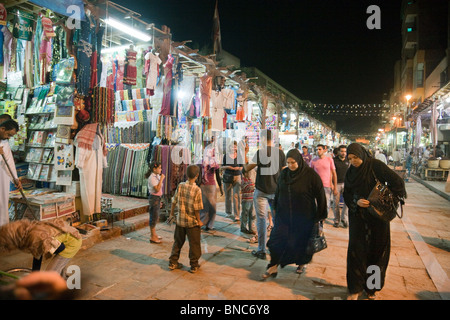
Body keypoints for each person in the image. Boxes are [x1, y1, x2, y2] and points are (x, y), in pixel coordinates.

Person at [343, 143, 406, 300]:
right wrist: (356, 202)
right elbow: (347, 194)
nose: (353, 161)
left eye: (355, 158)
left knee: (377, 253)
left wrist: (379, 201)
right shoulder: (350, 172)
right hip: (358, 218)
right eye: (350, 159)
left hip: (377, 219)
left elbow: (398, 183)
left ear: (362, 155)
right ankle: (355, 289)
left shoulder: (375, 166)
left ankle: (371, 289)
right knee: (356, 252)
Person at [262, 149, 327, 279]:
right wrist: (275, 208)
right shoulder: (284, 174)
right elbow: (278, 192)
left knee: (300, 243)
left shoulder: (310, 175)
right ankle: (273, 266)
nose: (290, 165)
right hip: (284, 216)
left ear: (299, 161)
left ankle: (301, 263)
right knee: (275, 241)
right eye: (288, 162)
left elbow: (320, 196)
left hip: (304, 217)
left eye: (293, 162)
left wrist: (320, 216)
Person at [244, 129, 286, 260]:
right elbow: (285, 173)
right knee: (277, 221)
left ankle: (261, 250)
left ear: (262, 139)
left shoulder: (260, 153)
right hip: (276, 192)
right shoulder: (280, 153)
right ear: (272, 138)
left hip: (262, 191)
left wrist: (244, 159)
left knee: (261, 220)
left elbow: (247, 168)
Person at [0, 217, 82, 278]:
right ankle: (61, 278)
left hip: (72, 243)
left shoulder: (36, 237)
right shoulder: (24, 230)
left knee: (50, 275)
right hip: (67, 235)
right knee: (58, 266)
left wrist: (49, 250)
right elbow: (37, 254)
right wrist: (35, 274)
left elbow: (61, 248)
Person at [167, 165, 203, 273]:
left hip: (180, 221)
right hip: (192, 222)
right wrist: (199, 220)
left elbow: (174, 201)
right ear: (197, 175)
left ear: (186, 175)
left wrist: (172, 214)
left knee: (177, 242)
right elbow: (197, 209)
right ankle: (194, 265)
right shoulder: (197, 190)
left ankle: (173, 262)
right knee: (194, 244)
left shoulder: (181, 186)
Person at [0, 119, 22, 226]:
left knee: (2, 204)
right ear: (2, 129)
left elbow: (9, 163)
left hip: (1, 179)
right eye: (8, 134)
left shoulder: (5, 143)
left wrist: (15, 179)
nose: (8, 137)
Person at [200, 136, 223, 231]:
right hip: (208, 186)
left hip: (206, 186)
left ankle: (205, 223)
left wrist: (221, 188)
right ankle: (207, 224)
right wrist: (221, 188)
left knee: (206, 206)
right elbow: (217, 177)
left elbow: (217, 176)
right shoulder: (209, 162)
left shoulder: (203, 162)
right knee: (210, 206)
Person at [310, 144, 337, 217]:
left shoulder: (329, 160)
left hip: (327, 186)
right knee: (316, 203)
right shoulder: (313, 161)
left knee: (326, 204)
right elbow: (310, 174)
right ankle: (317, 219)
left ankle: (323, 218)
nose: (318, 151)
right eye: (316, 149)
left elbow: (334, 173)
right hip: (316, 186)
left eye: (319, 149)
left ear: (324, 150)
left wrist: (334, 185)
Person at [222, 141, 243, 222]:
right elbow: (222, 166)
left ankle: (237, 214)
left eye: (235, 146)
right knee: (228, 195)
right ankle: (228, 212)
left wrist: (238, 168)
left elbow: (242, 167)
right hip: (227, 176)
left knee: (236, 195)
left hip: (237, 176)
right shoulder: (226, 156)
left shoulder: (239, 156)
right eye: (232, 146)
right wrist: (228, 167)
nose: (233, 148)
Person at [145, 161, 165, 244]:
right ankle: (153, 236)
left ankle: (154, 234)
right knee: (153, 217)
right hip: (154, 198)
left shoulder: (156, 176)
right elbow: (157, 189)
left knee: (156, 217)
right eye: (159, 168)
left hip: (157, 198)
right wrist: (161, 179)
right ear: (154, 169)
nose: (161, 169)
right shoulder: (152, 177)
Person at [333, 145, 349, 228]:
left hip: (346, 184)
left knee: (347, 202)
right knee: (336, 203)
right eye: (342, 151)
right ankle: (336, 220)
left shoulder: (348, 160)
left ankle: (344, 219)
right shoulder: (334, 161)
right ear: (338, 152)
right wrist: (333, 186)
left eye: (345, 151)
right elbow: (332, 173)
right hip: (337, 184)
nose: (343, 153)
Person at [240, 166, 256, 235]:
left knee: (251, 215)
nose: (249, 174)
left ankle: (251, 228)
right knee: (245, 214)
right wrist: (253, 186)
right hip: (246, 200)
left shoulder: (250, 180)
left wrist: (253, 186)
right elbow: (247, 187)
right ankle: (243, 227)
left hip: (251, 199)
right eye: (248, 172)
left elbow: (252, 187)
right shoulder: (243, 180)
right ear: (244, 173)